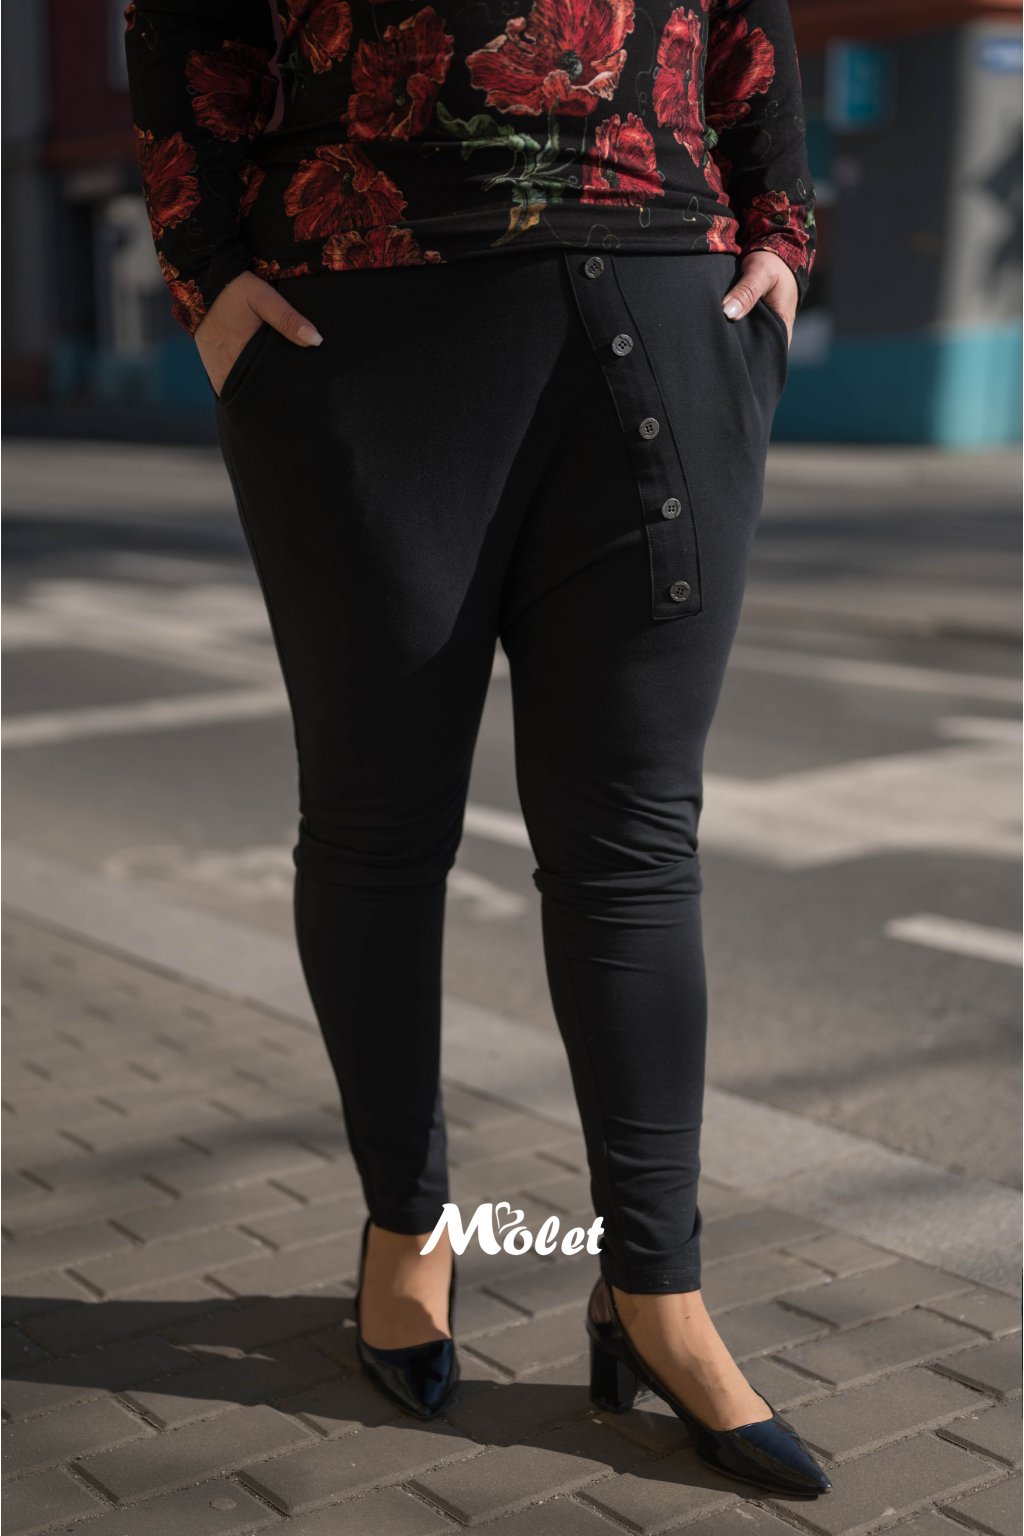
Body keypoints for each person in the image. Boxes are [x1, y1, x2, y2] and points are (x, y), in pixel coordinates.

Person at [125, 0, 832, 1499]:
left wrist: (781, 240)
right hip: (358, 322)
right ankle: (408, 1226)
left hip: (666, 298)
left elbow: (751, 28)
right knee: (377, 826)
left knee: (635, 844)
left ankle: (656, 1288)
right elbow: (185, 27)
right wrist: (208, 277)